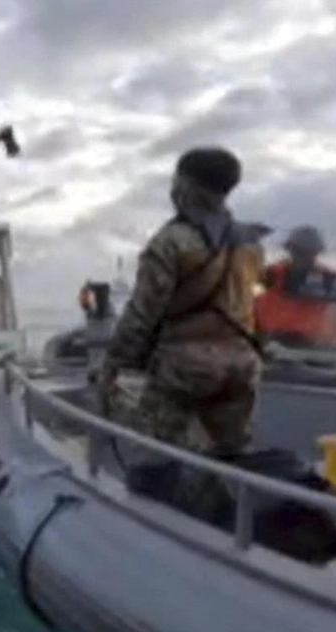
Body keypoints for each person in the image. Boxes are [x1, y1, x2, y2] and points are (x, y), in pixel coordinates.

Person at [97, 146, 265, 460]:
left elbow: (142, 314)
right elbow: (248, 304)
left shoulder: (171, 241)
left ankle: (159, 505)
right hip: (242, 365)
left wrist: (115, 364)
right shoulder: (250, 242)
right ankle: (226, 508)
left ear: (185, 185)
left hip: (185, 366)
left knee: (159, 454)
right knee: (234, 456)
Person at [254, 226, 336, 348]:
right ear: (290, 250)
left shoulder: (329, 278)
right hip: (271, 342)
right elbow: (252, 299)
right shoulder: (272, 273)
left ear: (316, 253)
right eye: (299, 251)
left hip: (313, 345)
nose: (304, 257)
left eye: (309, 252)